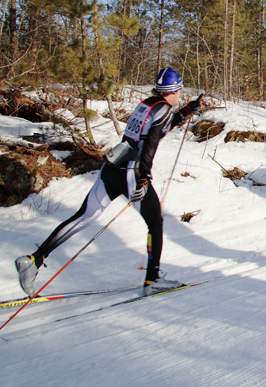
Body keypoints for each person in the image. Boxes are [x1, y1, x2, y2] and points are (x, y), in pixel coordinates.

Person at [15, 67, 203, 297]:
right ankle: (152, 279)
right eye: (180, 91)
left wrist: (188, 110)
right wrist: (144, 177)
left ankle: (34, 260)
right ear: (173, 90)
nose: (180, 94)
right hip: (132, 172)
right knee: (155, 222)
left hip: (112, 167)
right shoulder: (163, 108)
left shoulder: (147, 104)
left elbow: (157, 128)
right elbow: (151, 143)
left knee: (82, 217)